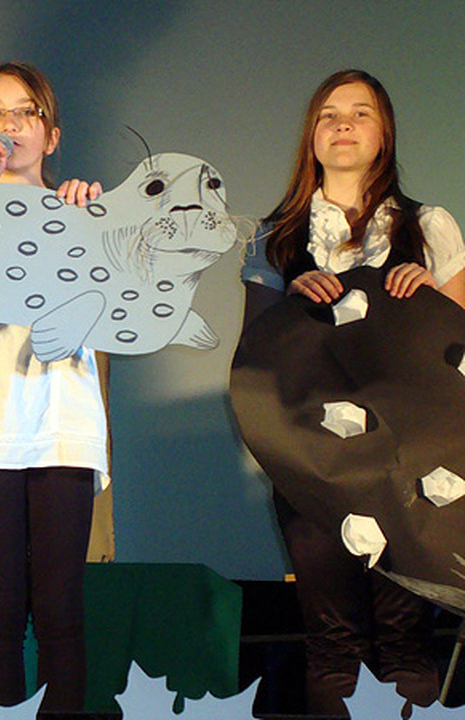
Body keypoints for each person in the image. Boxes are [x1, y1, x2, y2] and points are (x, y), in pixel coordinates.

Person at [241, 69, 465, 716]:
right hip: (311, 461)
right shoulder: (275, 237)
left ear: (384, 132)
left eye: (361, 112)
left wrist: (429, 300)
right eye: (329, 114)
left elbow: (457, 361)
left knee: (405, 639)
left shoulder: (429, 226)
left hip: (407, 464)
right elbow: (254, 364)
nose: (344, 124)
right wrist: (292, 305)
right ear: (312, 135)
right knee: (332, 641)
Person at [0, 62, 109, 712]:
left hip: (62, 417)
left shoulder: (84, 212)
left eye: (25, 111)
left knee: (60, 606)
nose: (9, 124)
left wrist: (92, 222)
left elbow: (111, 305)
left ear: (52, 135)